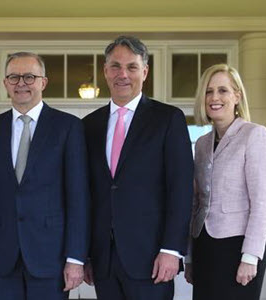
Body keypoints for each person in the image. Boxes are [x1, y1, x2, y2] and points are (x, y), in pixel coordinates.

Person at [82, 35, 193, 300]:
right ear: (105, 72)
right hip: (103, 260)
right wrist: (84, 253)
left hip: (152, 258)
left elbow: (181, 188)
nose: (123, 74)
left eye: (131, 67)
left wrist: (171, 250)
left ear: (145, 72)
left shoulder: (168, 119)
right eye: (115, 66)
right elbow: (86, 193)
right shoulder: (88, 125)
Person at [0, 52, 90, 300]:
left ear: (43, 82)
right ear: (5, 83)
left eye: (29, 76)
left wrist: (76, 257)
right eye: (14, 77)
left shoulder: (68, 127)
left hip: (52, 258)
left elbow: (78, 197)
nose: (21, 83)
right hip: (3, 258)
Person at [184, 64, 266, 300]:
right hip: (204, 246)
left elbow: (263, 204)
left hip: (238, 249)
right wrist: (190, 256)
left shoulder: (255, 135)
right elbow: (197, 202)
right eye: (209, 91)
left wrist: (250, 257)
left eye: (223, 90)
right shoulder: (202, 143)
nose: (215, 97)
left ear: (237, 96)